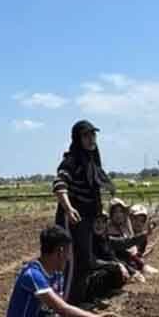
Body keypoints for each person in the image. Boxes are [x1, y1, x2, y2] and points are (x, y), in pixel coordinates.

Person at [53, 120, 113, 304]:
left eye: (93, 135)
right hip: (72, 219)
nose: (91, 139)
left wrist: (100, 212)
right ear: (77, 139)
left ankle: (79, 300)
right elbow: (59, 185)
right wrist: (69, 208)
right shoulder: (71, 161)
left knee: (86, 261)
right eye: (86, 135)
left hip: (87, 219)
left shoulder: (92, 163)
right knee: (72, 261)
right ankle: (65, 304)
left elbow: (95, 189)